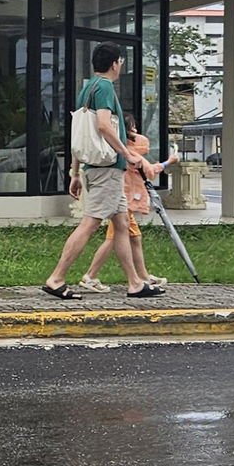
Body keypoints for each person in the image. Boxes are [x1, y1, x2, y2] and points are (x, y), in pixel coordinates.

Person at [41, 43, 164, 300]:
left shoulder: (87, 88)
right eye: (121, 62)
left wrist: (75, 173)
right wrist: (128, 154)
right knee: (90, 224)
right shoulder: (106, 87)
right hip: (107, 169)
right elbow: (104, 126)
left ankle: (135, 283)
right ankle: (56, 278)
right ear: (115, 63)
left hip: (97, 168)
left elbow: (80, 134)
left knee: (121, 225)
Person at [80, 115, 179, 293]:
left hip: (124, 201)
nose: (136, 132)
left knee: (135, 238)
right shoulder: (130, 152)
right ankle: (91, 275)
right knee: (114, 238)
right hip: (123, 201)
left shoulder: (118, 149)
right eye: (133, 128)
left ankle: (143, 276)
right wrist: (168, 162)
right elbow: (149, 171)